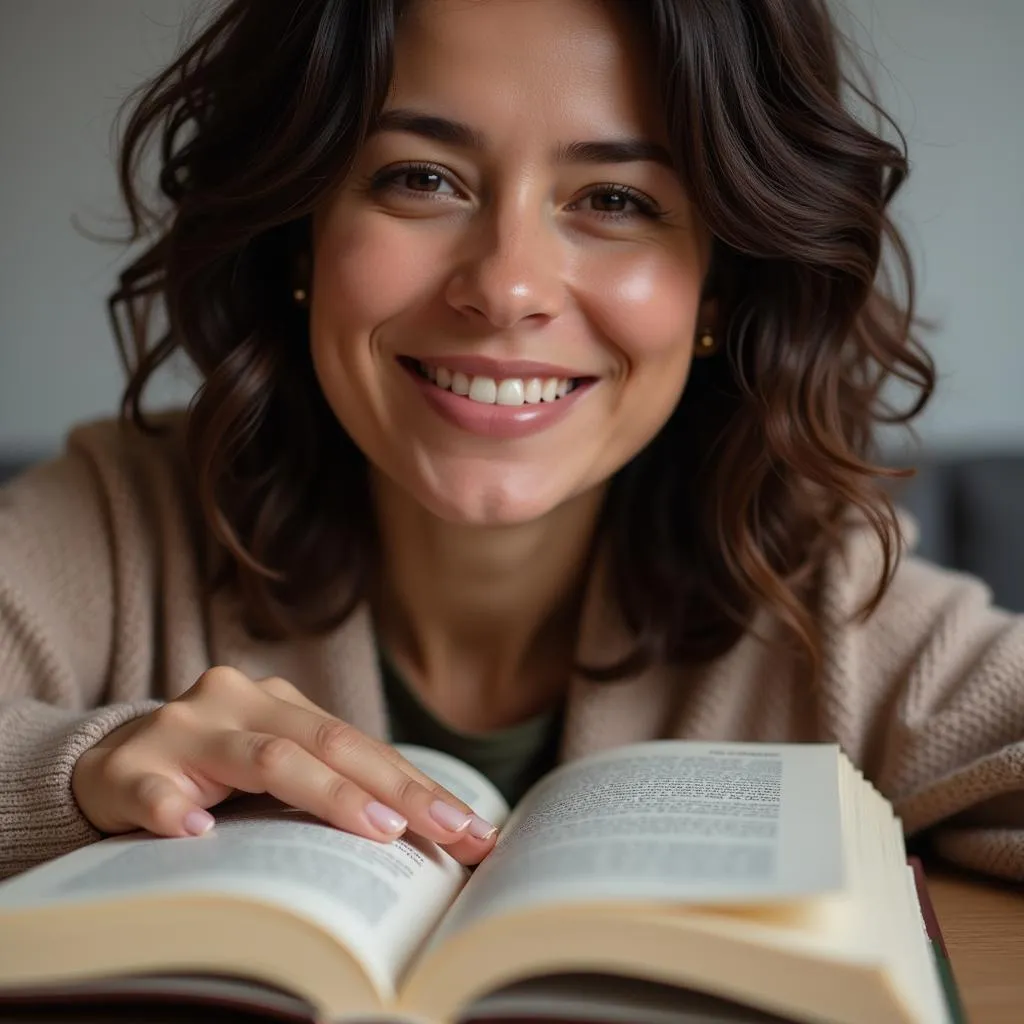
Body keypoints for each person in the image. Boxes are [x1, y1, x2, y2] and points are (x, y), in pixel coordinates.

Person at [1, 0, 1022, 885]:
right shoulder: (115, 529)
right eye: (420, 179)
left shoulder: (821, 604)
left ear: (720, 285)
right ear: (298, 231)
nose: (505, 286)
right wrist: (82, 768)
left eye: (616, 201)